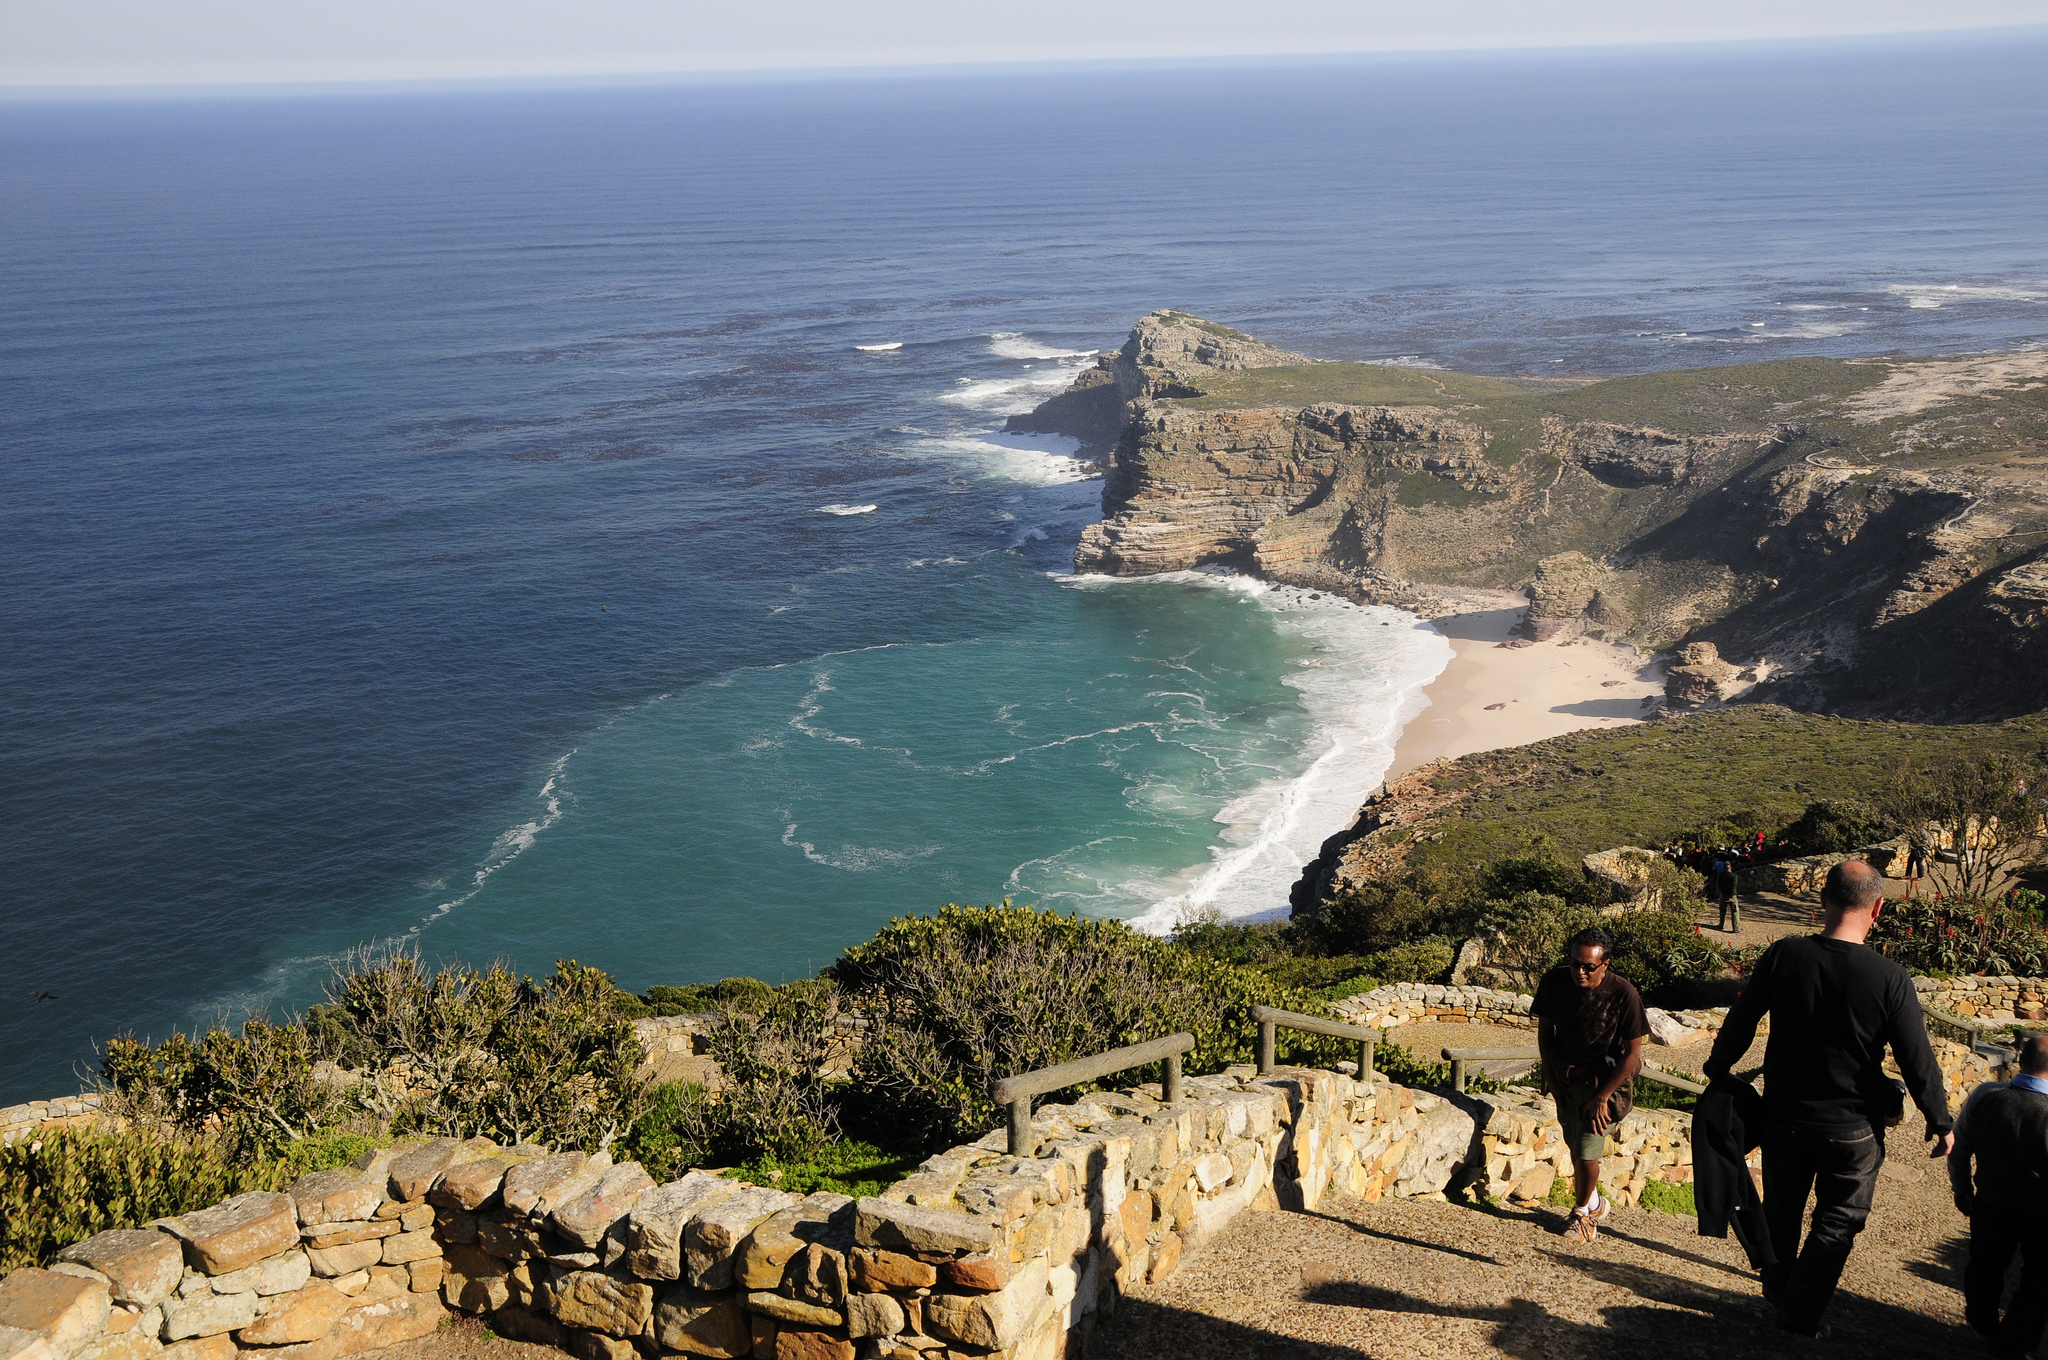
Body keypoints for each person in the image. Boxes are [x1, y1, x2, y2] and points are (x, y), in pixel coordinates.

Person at [1703, 859, 1953, 1338]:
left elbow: (1742, 1019)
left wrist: (1718, 1070)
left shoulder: (1785, 955)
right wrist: (1940, 1120)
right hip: (1854, 1127)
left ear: (1822, 901)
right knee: (1838, 1223)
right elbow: (1917, 1059)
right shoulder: (1889, 977)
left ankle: (1779, 1294)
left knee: (1782, 1214)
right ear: (1878, 907)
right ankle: (1799, 1318)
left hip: (1784, 1117)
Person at [1534, 926, 1648, 1243]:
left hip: (1607, 1079)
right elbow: (1545, 1032)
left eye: (1588, 966)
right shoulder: (1554, 982)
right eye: (1575, 964)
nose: (1580, 972)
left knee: (1586, 1152)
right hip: (1568, 1077)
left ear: (1606, 964)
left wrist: (1603, 1096)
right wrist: (1553, 1077)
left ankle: (1583, 1216)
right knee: (1575, 1144)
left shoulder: (1625, 994)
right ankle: (1595, 1204)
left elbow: (1633, 1053)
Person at [1950, 1034, 2048, 1359]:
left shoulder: (1986, 1095)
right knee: (2039, 1281)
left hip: (1991, 1201)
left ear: (2020, 1060)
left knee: (1985, 1267)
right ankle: (2014, 1341)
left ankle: (1982, 1322)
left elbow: (1960, 1146)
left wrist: (1961, 1187)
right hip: (2041, 1213)